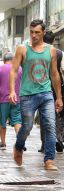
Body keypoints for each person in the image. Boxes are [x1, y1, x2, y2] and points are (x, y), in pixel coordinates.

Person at [9, 19, 63, 170]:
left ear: (43, 33)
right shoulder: (22, 49)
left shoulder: (51, 50)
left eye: (37, 32)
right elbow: (13, 71)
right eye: (31, 32)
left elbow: (54, 74)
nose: (33, 35)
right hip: (27, 95)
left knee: (50, 126)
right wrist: (12, 90)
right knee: (27, 126)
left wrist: (58, 97)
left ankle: (49, 160)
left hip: (46, 93)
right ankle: (19, 146)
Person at [37, 30, 64, 153]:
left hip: (42, 87)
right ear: (54, 40)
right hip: (57, 88)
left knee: (43, 117)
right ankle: (58, 139)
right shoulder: (60, 53)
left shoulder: (38, 52)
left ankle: (44, 144)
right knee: (58, 114)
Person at [0, 52, 22, 150]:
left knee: (2, 122)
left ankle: (3, 143)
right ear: (13, 59)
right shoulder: (20, 69)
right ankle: (20, 142)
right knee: (17, 120)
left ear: (3, 60)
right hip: (17, 99)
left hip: (3, 99)